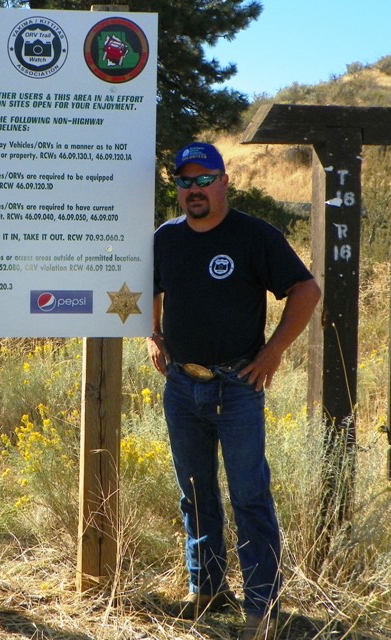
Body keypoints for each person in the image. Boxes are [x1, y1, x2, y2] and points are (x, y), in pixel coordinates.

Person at [147, 142, 320, 640]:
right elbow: (148, 289)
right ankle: (206, 591)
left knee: (249, 498)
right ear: (177, 188)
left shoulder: (253, 236)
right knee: (195, 494)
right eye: (185, 181)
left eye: (205, 179)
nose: (194, 189)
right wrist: (153, 335)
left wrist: (274, 351)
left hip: (239, 387)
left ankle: (260, 611)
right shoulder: (167, 238)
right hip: (182, 386)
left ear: (224, 182)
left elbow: (305, 291)